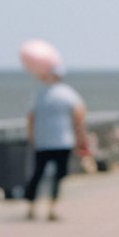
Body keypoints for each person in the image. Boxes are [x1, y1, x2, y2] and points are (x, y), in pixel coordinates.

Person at [24, 55, 89, 220]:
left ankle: (34, 208)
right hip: (61, 141)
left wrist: (32, 139)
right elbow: (80, 116)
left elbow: (30, 117)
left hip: (46, 141)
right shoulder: (67, 93)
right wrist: (81, 137)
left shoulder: (39, 93)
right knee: (56, 176)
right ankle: (49, 209)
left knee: (39, 174)